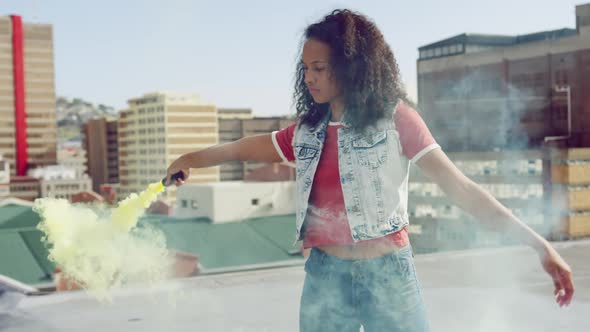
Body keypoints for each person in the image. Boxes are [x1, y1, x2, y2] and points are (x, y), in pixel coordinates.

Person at [166, 9, 574, 332]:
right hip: (326, 277)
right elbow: (240, 147)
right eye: (305, 68)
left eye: (320, 67)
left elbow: (462, 189)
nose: (309, 77)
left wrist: (540, 245)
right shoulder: (305, 133)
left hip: (390, 276)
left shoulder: (398, 120)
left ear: (351, 66)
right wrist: (189, 160)